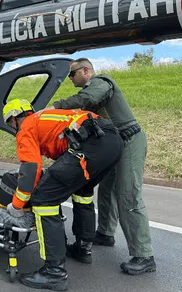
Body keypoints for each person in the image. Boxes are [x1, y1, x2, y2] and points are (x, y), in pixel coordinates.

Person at [2, 98, 123, 291]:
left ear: (15, 118)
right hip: (111, 141)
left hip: (89, 144)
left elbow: (31, 167)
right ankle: (83, 249)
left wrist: (17, 205)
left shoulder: (27, 126)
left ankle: (54, 273)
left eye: (10, 123)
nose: (13, 127)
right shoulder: (47, 119)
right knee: (82, 192)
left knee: (43, 199)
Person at [49, 58, 155, 275]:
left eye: (72, 73)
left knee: (128, 194)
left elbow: (89, 97)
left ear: (85, 70)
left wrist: (56, 106)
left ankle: (144, 255)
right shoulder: (89, 92)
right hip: (112, 143)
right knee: (106, 191)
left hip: (129, 140)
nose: (69, 78)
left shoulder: (101, 81)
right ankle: (105, 233)